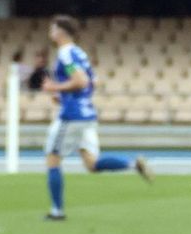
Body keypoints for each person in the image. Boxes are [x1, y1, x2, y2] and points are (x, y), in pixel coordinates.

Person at [40, 15, 151, 222]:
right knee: (92, 164)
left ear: (60, 32)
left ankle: (57, 211)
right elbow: (93, 81)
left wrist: (54, 87)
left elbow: (81, 81)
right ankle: (132, 164)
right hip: (87, 114)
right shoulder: (79, 52)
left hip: (72, 116)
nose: (50, 31)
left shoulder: (65, 54)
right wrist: (63, 95)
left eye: (53, 28)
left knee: (53, 159)